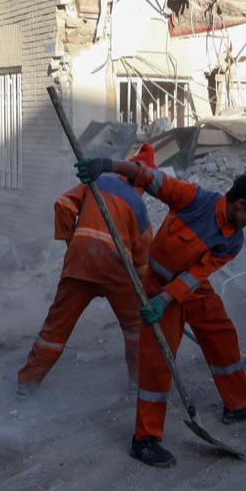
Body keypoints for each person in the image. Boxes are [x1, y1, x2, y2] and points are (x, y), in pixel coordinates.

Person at [76, 158, 246, 468]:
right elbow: (149, 177)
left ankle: (238, 405)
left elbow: (196, 274)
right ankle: (144, 439)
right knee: (158, 359)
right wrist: (108, 165)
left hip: (187, 288)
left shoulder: (233, 240)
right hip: (156, 285)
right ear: (240, 204)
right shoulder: (194, 199)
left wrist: (169, 300)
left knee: (222, 334)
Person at [16, 145, 158, 397]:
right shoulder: (138, 205)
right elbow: (142, 256)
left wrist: (72, 242)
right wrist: (141, 286)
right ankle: (137, 381)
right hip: (116, 269)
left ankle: (27, 382)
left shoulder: (96, 183)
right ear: (141, 179)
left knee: (56, 326)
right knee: (136, 327)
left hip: (80, 263)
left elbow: (62, 204)